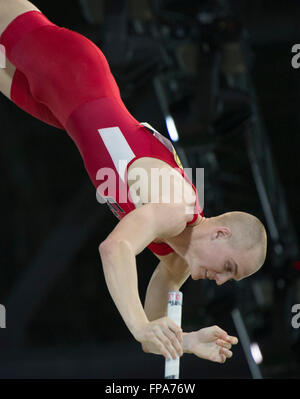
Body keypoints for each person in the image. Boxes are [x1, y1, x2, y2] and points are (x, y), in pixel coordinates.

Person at [0, 0, 267, 364]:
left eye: (229, 280)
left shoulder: (179, 260)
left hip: (59, 108)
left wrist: (184, 342)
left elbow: (153, 333)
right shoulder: (177, 207)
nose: (220, 281)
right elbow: (115, 249)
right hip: (72, 70)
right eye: (229, 268)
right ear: (221, 234)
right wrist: (140, 326)